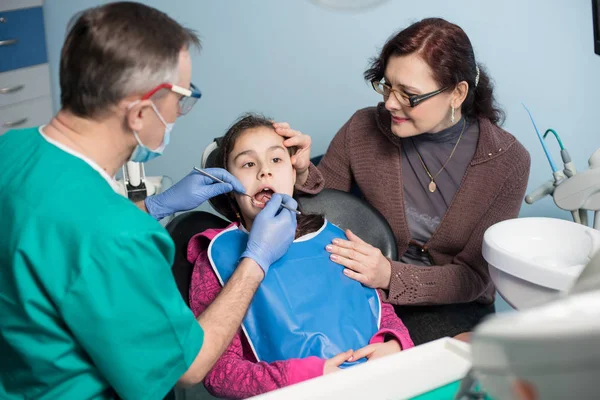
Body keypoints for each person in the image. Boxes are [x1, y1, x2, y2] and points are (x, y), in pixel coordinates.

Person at [0, 3, 297, 399]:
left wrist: (155, 207)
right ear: (140, 113)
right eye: (181, 100)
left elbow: (60, 237)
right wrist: (255, 261)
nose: (181, 112)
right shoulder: (123, 239)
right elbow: (187, 366)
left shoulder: (11, 150)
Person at [273, 18, 531, 345]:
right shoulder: (362, 128)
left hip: (452, 306)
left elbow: (475, 278)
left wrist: (390, 276)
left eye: (409, 95)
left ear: (457, 94)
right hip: (365, 290)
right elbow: (323, 208)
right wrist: (300, 173)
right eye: (387, 85)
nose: (391, 103)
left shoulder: (507, 162)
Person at [188, 114, 414, 399]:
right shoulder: (215, 258)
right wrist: (305, 378)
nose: (264, 172)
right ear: (228, 186)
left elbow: (379, 312)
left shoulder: (333, 238)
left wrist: (394, 344)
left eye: (276, 160)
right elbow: (218, 373)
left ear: (294, 175)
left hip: (372, 384)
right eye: (248, 163)